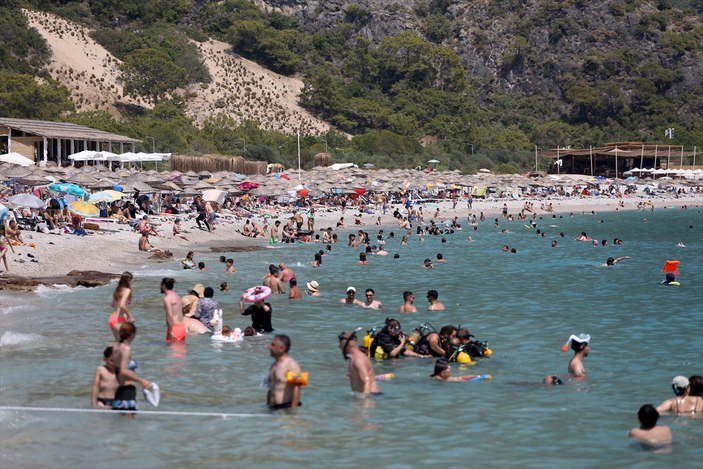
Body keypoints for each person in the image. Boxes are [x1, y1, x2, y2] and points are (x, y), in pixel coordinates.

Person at [111, 323, 153, 411]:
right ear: (133, 334)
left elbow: (117, 370)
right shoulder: (126, 349)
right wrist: (142, 381)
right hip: (127, 391)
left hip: (120, 390)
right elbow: (123, 371)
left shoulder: (116, 347)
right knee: (129, 421)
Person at [267, 335, 302, 410]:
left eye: (273, 345)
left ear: (281, 349)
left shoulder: (292, 365)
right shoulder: (273, 366)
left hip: (286, 408)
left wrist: (292, 411)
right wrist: (267, 407)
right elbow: (270, 389)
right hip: (273, 408)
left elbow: (297, 388)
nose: (269, 347)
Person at [108, 272, 134, 340]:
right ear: (129, 280)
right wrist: (130, 316)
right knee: (124, 344)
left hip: (112, 318)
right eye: (131, 280)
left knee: (119, 344)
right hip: (119, 319)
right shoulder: (127, 290)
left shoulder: (117, 289)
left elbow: (113, 305)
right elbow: (122, 305)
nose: (132, 282)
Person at [161, 277, 186, 342]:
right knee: (181, 351)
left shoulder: (167, 298)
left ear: (163, 285)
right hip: (182, 327)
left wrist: (169, 332)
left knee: (172, 351)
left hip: (174, 329)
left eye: (160, 285)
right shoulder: (177, 296)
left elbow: (169, 316)